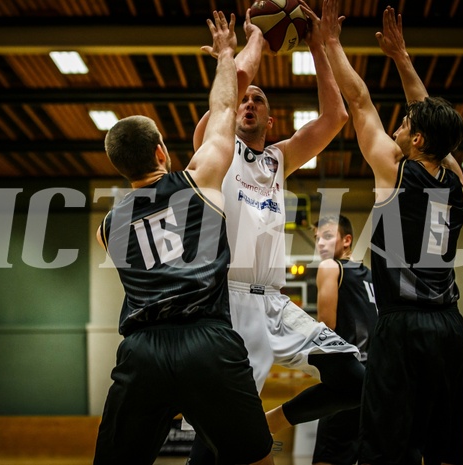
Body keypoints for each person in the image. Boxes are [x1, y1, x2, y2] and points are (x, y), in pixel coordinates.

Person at [93, 10, 276, 465]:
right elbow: (224, 110)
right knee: (256, 458)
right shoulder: (198, 179)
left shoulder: (106, 228)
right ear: (161, 151)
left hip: (142, 350)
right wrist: (229, 54)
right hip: (206, 340)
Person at [188, 2, 366, 462]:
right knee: (219, 439)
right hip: (224, 302)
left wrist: (317, 45)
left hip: (273, 300)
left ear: (272, 121)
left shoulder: (279, 159)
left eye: (259, 101)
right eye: (244, 99)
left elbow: (336, 119)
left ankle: (275, 423)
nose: (247, 102)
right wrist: (255, 40)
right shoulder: (214, 146)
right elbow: (231, 90)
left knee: (353, 378)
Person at [320, 2, 463, 464]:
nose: (401, 125)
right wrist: (401, 57)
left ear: (418, 140)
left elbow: (360, 101)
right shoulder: (457, 179)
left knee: (386, 447)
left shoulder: (395, 171)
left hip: (403, 326)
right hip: (450, 327)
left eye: (406, 124)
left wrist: (330, 44)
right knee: (444, 447)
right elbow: (428, 117)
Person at [311, 215, 377, 465]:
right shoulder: (371, 277)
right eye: (317, 238)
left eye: (328, 236)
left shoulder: (330, 267)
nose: (320, 244)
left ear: (347, 240)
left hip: (348, 376)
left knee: (329, 457)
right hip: (376, 380)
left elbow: (326, 327)